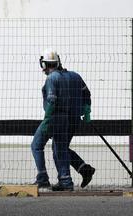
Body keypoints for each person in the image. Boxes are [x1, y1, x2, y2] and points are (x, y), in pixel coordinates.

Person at [32, 49, 96, 191]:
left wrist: (47, 119)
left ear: (44, 65)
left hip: (56, 117)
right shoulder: (75, 76)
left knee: (36, 145)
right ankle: (73, 176)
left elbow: (52, 100)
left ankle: (42, 179)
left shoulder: (52, 78)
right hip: (73, 119)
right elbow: (87, 94)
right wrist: (87, 111)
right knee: (60, 148)